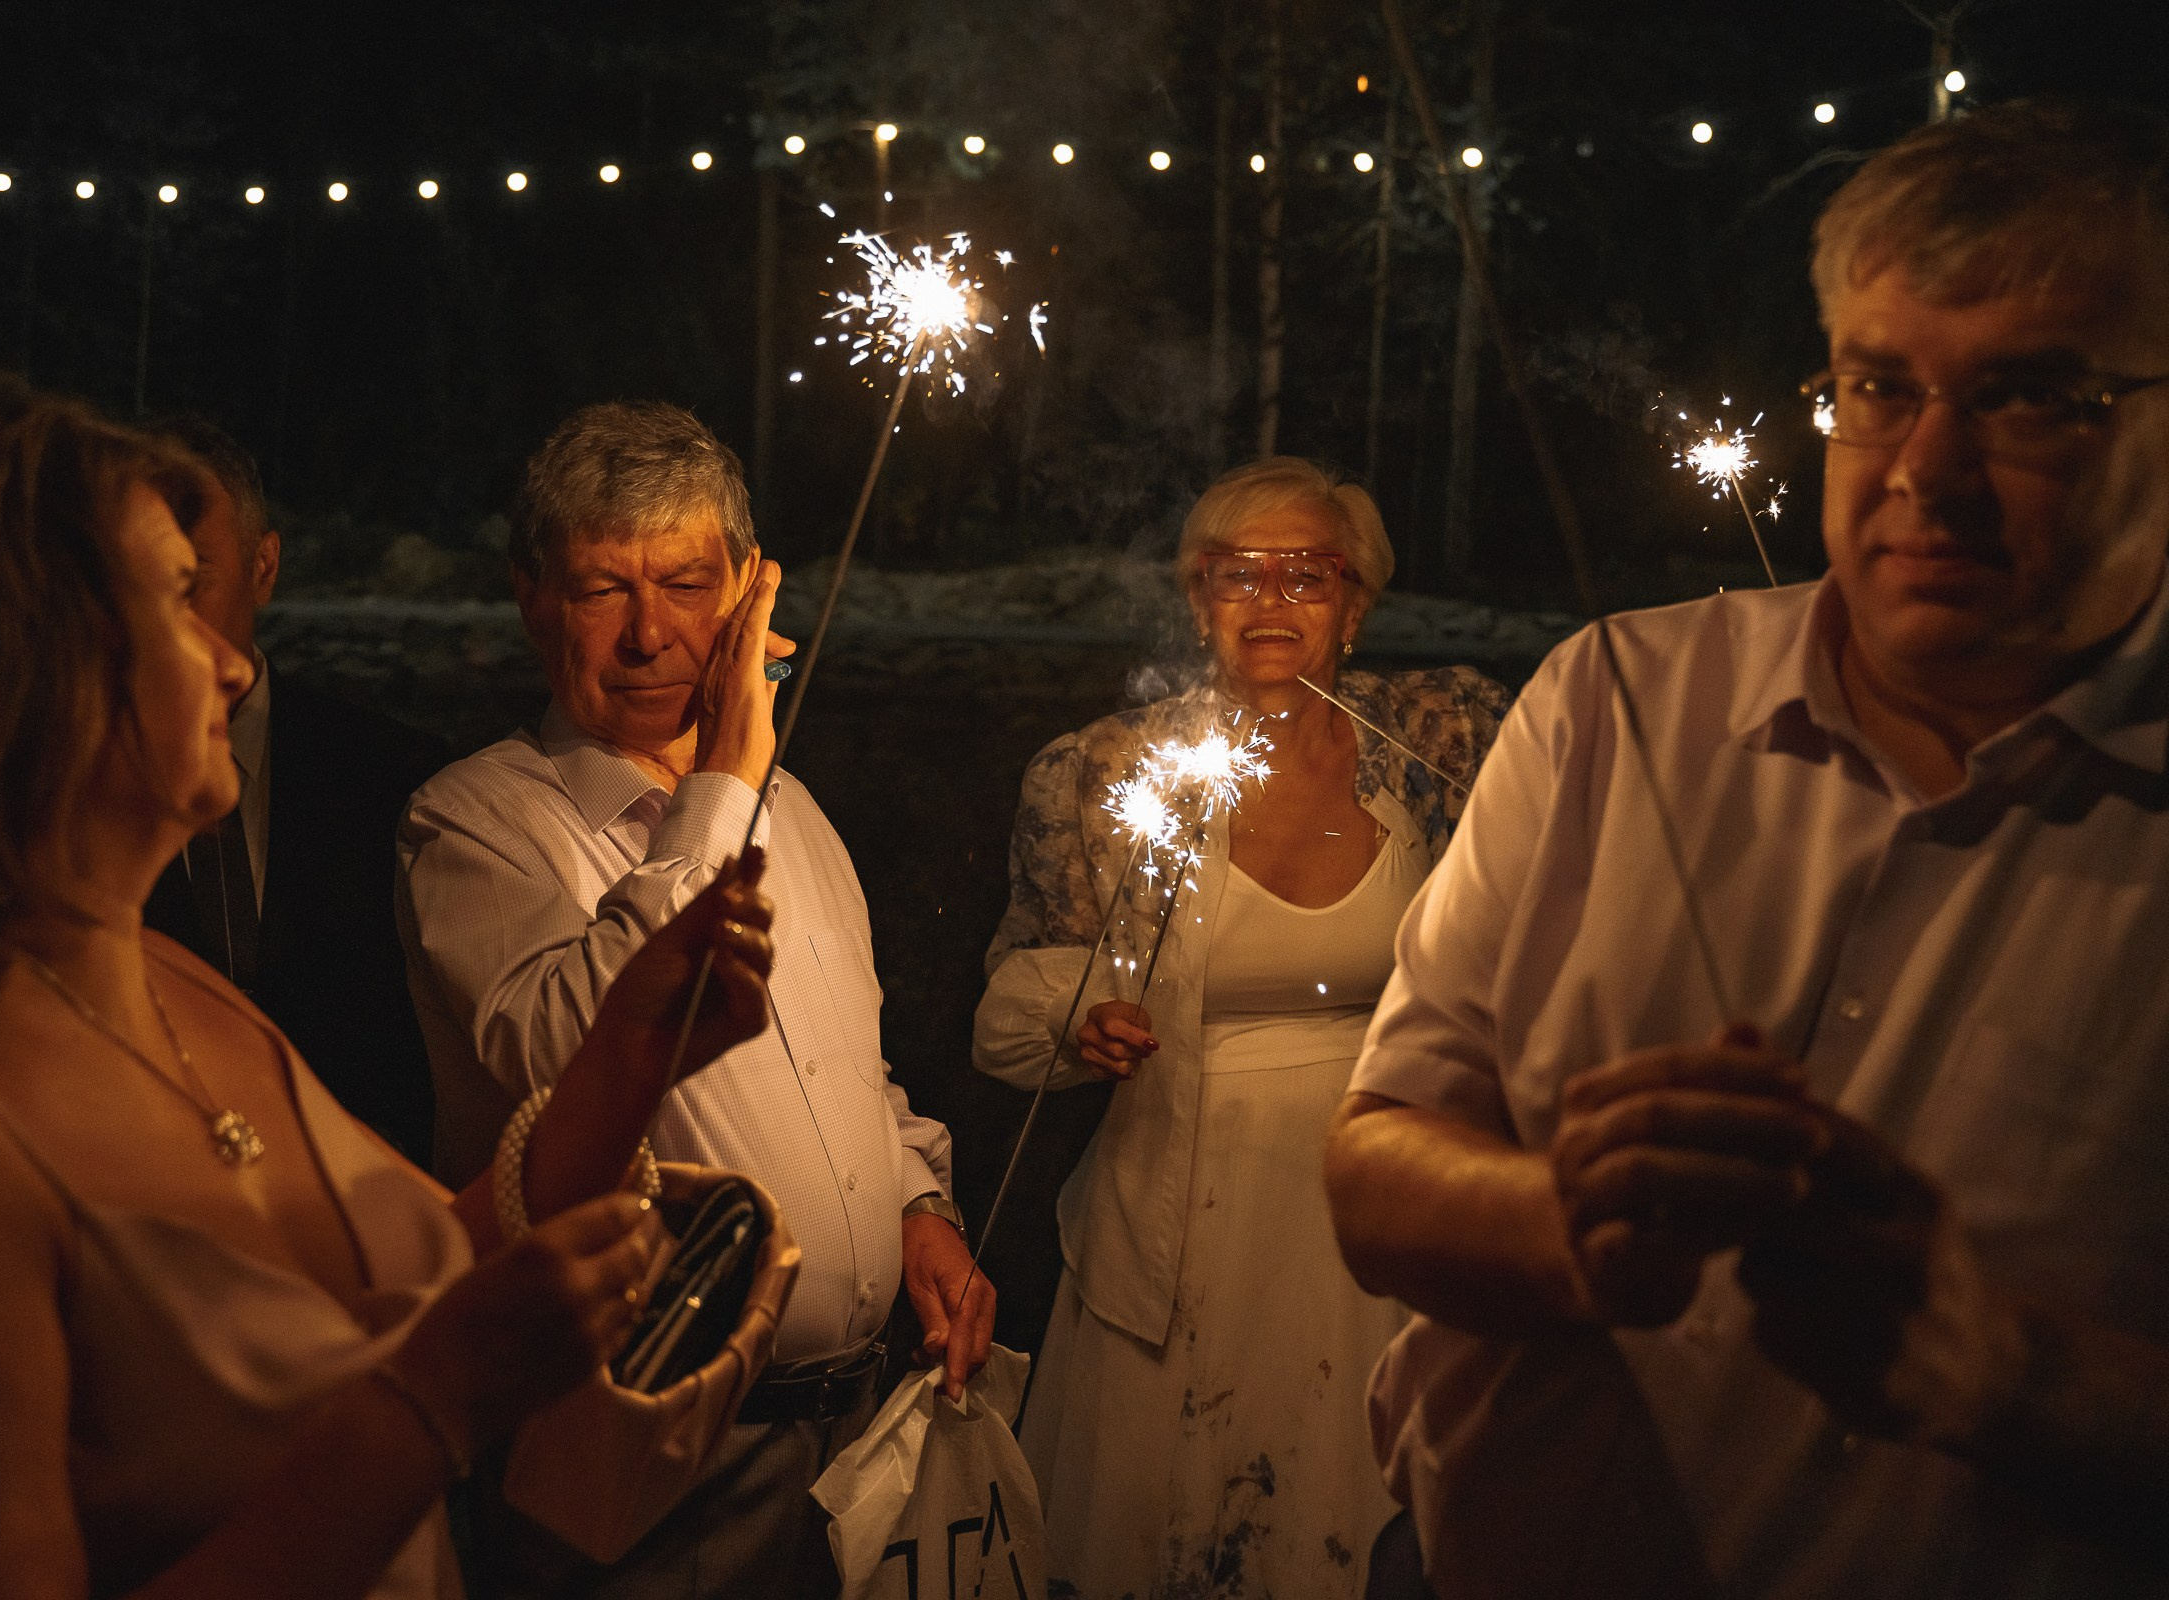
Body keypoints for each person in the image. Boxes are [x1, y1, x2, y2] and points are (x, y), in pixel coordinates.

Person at [1324, 100, 2169, 1598]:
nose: (1929, 468)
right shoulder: (1617, 700)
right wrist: (1560, 1221)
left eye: (2030, 400)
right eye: (1877, 386)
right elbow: (1375, 1167)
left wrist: (2003, 1368)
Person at [0, 375, 780, 1599]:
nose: (236, 668)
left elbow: (418, 1273)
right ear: (3, 659)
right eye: (173, 600)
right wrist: (436, 1407)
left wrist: (628, 1051)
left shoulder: (176, 981)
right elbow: (422, 1365)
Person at [397, 400, 994, 1598]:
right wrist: (716, 781)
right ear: (530, 598)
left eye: (682, 581)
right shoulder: (473, 821)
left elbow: (847, 1069)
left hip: (861, 1425)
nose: (649, 633)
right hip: (654, 1450)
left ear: (746, 593)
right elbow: (566, 1060)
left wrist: (918, 1202)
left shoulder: (797, 811)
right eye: (600, 590)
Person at [974, 457, 1509, 1598]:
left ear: (1356, 603)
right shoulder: (1109, 772)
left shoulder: (1438, 750)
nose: (1270, 603)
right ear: (1195, 598)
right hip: (1179, 1209)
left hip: (1373, 1208)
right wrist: (1082, 1024)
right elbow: (1011, 1005)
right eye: (1236, 575)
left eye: (1306, 575)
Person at [140, 416, 450, 1168]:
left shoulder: (396, 778)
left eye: (193, 578)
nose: (169, 626)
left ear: (263, 567)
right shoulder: (69, 804)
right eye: (141, 589)